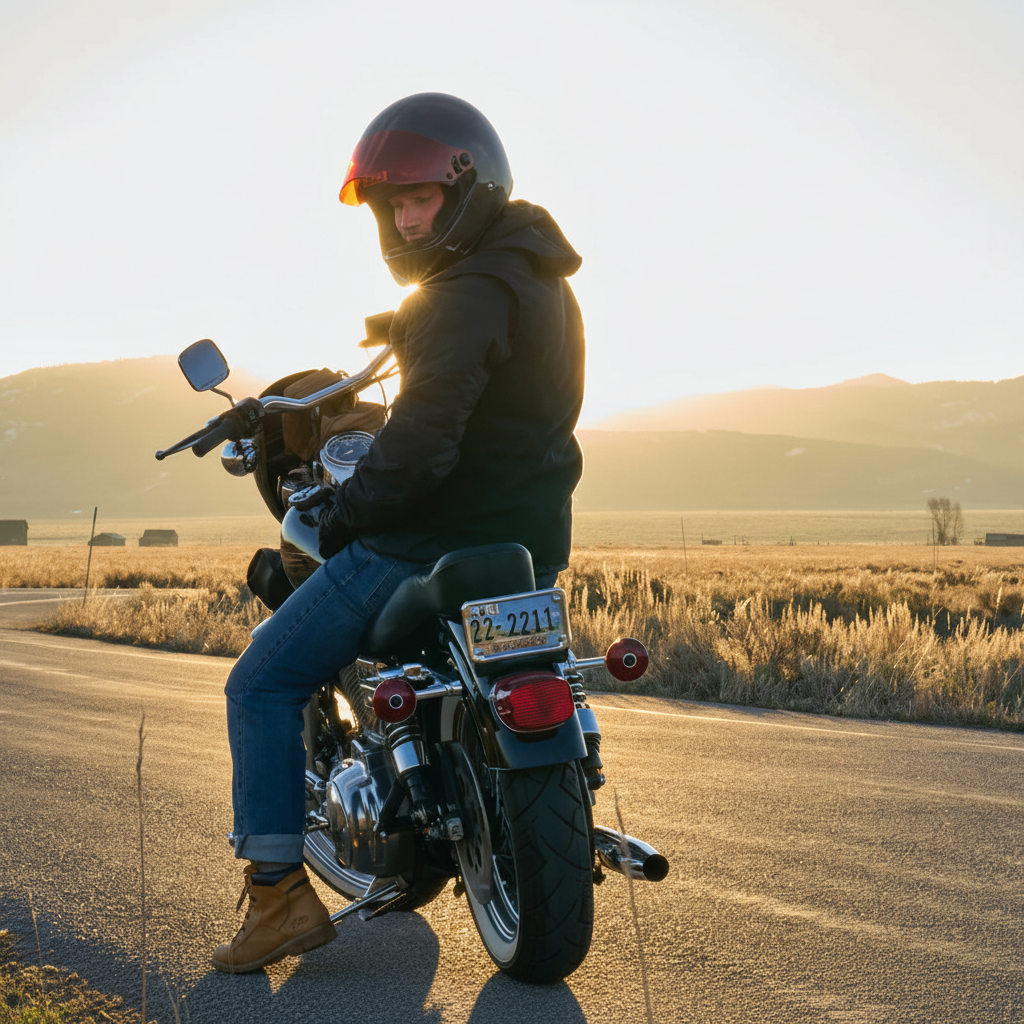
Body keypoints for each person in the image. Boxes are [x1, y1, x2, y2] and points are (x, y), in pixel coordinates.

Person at [213, 92, 585, 973]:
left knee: (259, 682)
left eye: (421, 199)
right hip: (530, 541)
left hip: (426, 543)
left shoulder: (457, 296)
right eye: (394, 206)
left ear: (470, 188)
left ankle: (277, 898)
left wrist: (341, 513)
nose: (409, 221)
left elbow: (416, 454)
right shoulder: (540, 278)